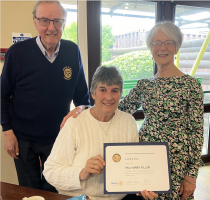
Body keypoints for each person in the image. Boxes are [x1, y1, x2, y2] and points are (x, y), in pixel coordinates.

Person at [61, 21, 204, 200]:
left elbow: (196, 132)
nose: (162, 47)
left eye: (168, 42)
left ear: (177, 46)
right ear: (151, 47)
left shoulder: (191, 86)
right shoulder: (145, 85)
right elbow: (115, 106)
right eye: (156, 42)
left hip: (177, 160)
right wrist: (83, 107)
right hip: (145, 157)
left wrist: (191, 175)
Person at [1, 0, 90, 192]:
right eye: (45, 21)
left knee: (55, 189)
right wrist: (8, 133)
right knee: (29, 190)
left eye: (57, 21)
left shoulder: (72, 51)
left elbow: (83, 99)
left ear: (64, 24)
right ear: (35, 22)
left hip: (58, 138)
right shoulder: (17, 53)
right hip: (22, 138)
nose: (52, 27)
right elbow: (2, 95)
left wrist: (81, 109)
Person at [43, 66, 158, 200]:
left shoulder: (128, 121)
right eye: (102, 90)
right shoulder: (75, 123)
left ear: (121, 94)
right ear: (92, 93)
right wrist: (82, 173)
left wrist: (143, 184)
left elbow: (132, 168)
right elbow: (50, 171)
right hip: (82, 198)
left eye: (114, 91)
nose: (108, 97)